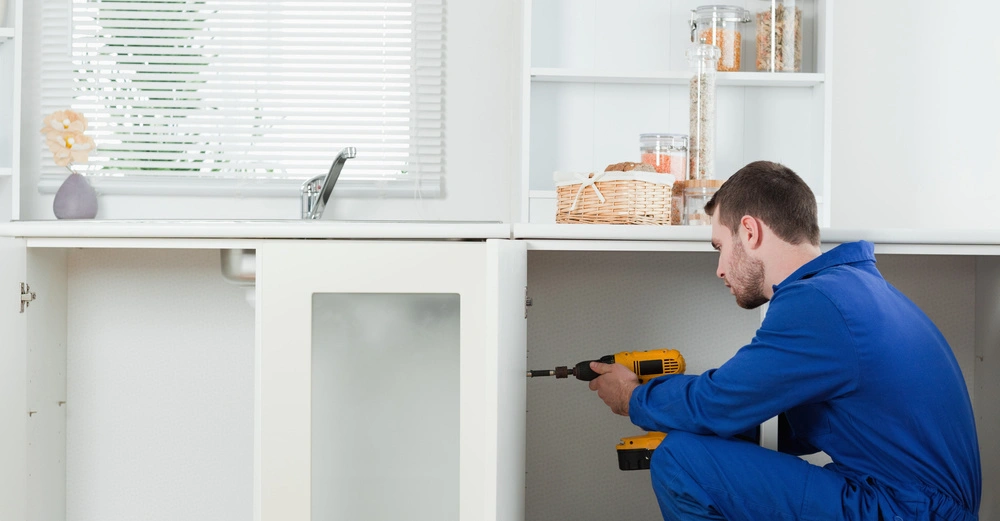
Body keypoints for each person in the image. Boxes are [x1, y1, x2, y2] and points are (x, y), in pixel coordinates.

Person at [587, 161, 981, 521]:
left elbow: (718, 402)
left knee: (680, 460)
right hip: (915, 503)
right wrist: (694, 420)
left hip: (907, 509)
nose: (720, 269)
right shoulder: (854, 289)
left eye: (720, 247)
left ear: (750, 231)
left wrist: (633, 397)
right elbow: (799, 428)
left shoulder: (817, 303)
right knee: (692, 444)